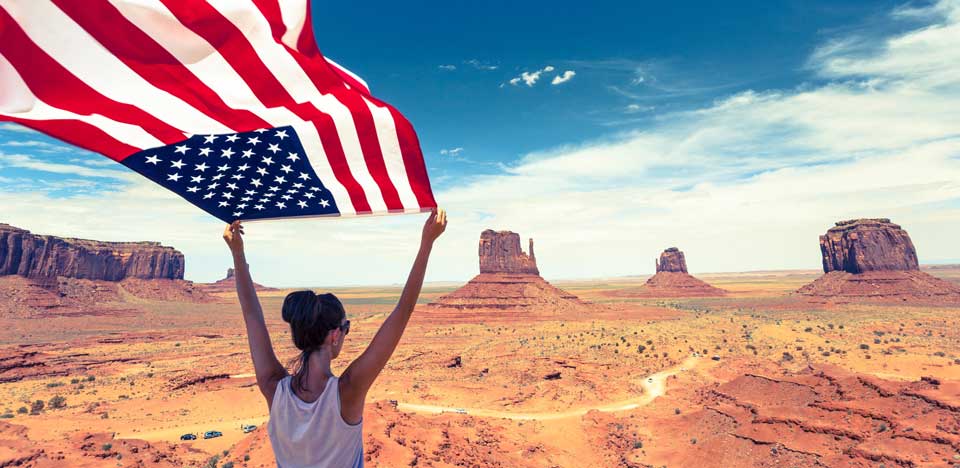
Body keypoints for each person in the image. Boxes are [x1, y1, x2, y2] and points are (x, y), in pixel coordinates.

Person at [221, 209, 447, 468]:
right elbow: (403, 311)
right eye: (346, 327)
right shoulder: (347, 392)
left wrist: (237, 254)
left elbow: (252, 316)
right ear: (335, 334)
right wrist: (427, 243)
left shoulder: (274, 389)